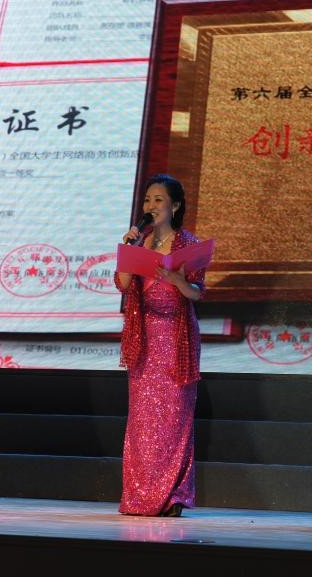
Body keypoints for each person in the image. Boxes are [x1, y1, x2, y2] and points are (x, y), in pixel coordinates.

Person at [114, 174, 205, 517]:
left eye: (159, 200)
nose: (151, 206)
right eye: (147, 200)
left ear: (175, 206)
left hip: (177, 340)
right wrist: (130, 249)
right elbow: (124, 284)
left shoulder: (189, 244)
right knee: (143, 421)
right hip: (144, 340)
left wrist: (179, 280)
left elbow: (197, 293)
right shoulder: (140, 242)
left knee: (175, 419)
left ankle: (173, 497)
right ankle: (140, 496)